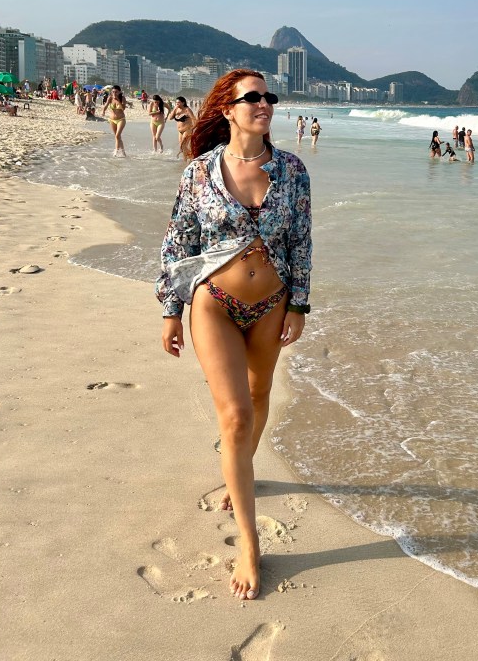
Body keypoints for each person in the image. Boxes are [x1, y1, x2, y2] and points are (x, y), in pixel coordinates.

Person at [156, 69, 311, 602]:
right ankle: (249, 542)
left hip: (272, 305)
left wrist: (299, 305)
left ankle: (238, 468)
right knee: (237, 415)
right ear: (227, 109)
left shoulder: (292, 170)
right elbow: (178, 243)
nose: (264, 104)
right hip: (214, 305)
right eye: (253, 98)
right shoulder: (200, 173)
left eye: (269, 97)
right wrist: (171, 310)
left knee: (260, 395)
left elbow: (301, 242)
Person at [102, 85, 127, 157]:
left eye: (116, 92)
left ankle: (116, 151)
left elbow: (123, 108)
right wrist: (103, 111)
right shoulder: (110, 98)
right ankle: (123, 153)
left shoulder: (122, 98)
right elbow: (106, 105)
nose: (114, 93)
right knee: (117, 137)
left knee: (117, 135)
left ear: (119, 92)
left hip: (121, 119)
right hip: (112, 120)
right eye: (113, 92)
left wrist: (118, 100)